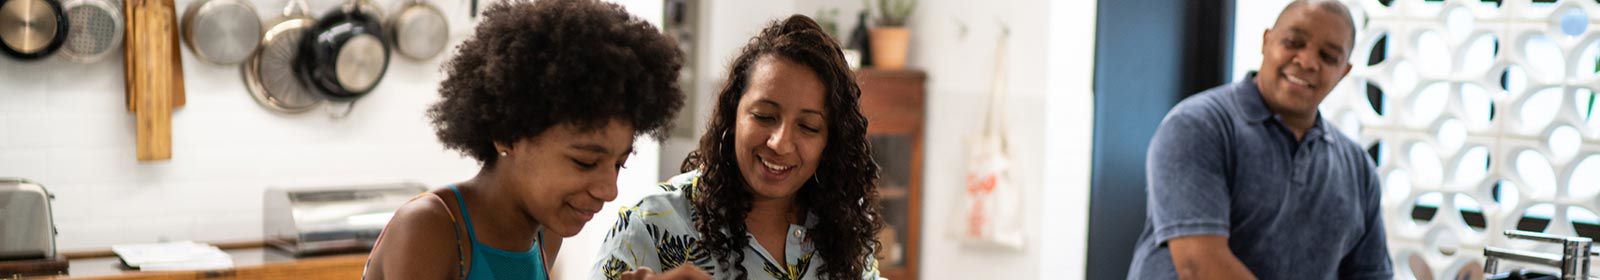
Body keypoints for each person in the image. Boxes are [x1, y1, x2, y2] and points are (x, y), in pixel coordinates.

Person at [362, 0, 684, 279]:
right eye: (584, 162)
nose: (609, 190)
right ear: (508, 135)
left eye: (619, 164)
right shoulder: (431, 229)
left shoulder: (546, 233)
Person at [590, 15, 885, 280]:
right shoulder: (652, 224)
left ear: (829, 141)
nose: (779, 143)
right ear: (734, 115)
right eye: (764, 116)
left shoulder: (843, 231)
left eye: (808, 127)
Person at [1125, 0, 1391, 279]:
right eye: (1293, 42)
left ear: (1343, 72)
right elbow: (1199, 265)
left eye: (1328, 56)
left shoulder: (1358, 168)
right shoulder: (1199, 125)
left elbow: (1370, 274)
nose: (1307, 61)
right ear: (1266, 41)